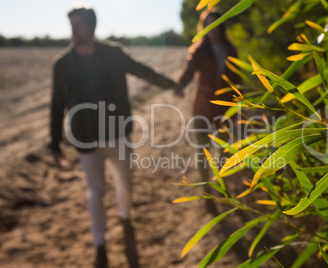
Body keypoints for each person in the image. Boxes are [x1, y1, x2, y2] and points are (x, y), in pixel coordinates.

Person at [50, 7, 181, 268]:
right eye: (72, 25)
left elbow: (142, 70)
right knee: (95, 191)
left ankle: (124, 215)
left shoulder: (113, 54)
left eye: (79, 25)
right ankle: (100, 241)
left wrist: (172, 84)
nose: (74, 31)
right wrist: (54, 143)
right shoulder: (62, 65)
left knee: (125, 183)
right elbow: (56, 104)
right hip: (86, 140)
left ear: (92, 26)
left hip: (117, 134)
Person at [177, 8, 241, 182]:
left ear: (222, 27)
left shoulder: (231, 50)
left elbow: (236, 80)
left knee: (224, 150)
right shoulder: (199, 50)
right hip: (202, 107)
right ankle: (206, 189)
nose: (212, 28)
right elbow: (188, 71)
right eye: (208, 25)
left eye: (215, 25)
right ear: (203, 27)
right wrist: (179, 86)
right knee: (203, 150)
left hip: (225, 107)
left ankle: (222, 185)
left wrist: (238, 108)